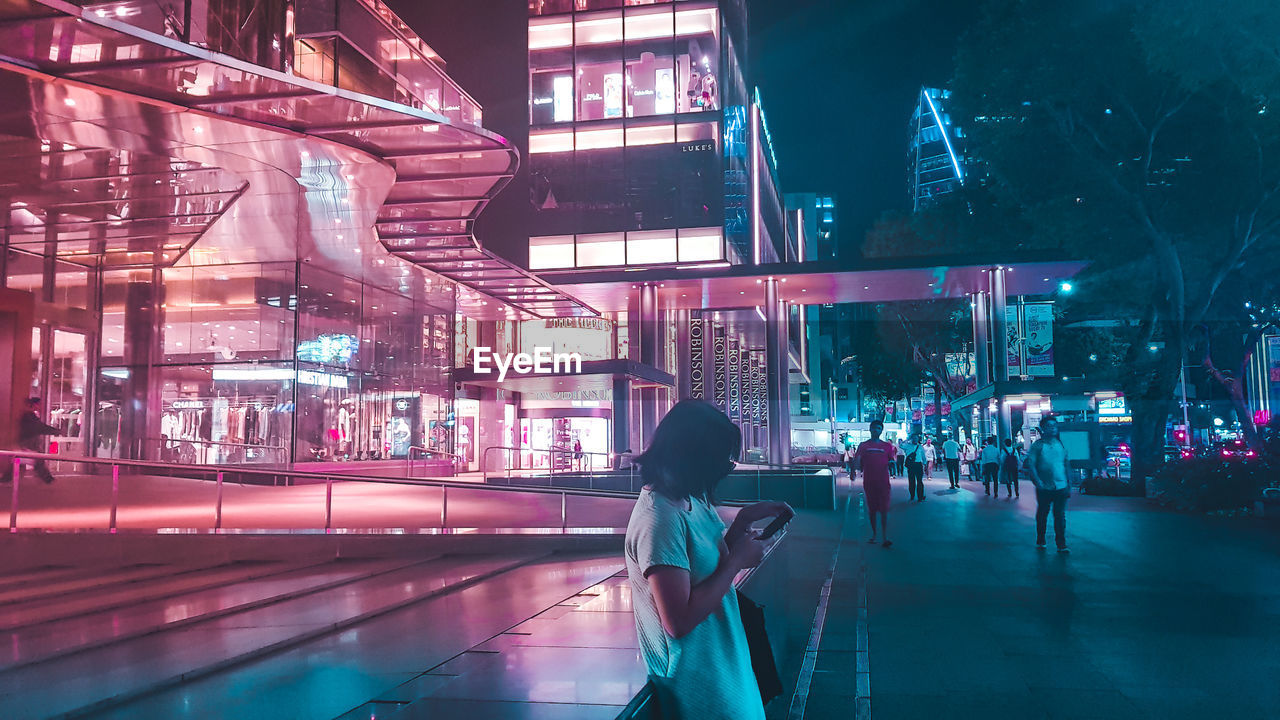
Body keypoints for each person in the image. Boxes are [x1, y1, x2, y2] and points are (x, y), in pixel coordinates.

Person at [625, 400, 793, 720]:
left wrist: (742, 522)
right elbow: (678, 621)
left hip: (725, 660)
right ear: (691, 456)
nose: (726, 467)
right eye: (721, 458)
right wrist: (735, 563)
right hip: (698, 679)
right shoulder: (659, 519)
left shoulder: (691, 498)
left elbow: (700, 569)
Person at [1026, 415, 1071, 552]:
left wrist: (1068, 483)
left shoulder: (1060, 444)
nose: (1052, 429)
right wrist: (1037, 481)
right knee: (1043, 513)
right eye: (1049, 426)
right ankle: (1041, 539)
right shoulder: (1038, 446)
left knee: (1060, 515)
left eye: (1054, 426)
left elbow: (1065, 463)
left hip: (1061, 486)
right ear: (1043, 429)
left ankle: (1061, 543)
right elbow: (1031, 465)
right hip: (1044, 486)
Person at [852, 419, 897, 546]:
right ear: (870, 429)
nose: (876, 430)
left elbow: (891, 460)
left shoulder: (887, 446)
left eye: (878, 428)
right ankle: (874, 535)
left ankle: (885, 536)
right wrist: (852, 472)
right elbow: (857, 459)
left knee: (884, 510)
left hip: (884, 483)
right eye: (874, 428)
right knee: (872, 510)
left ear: (881, 430)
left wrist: (893, 464)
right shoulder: (863, 445)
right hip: (869, 482)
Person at [2, 397, 59, 484]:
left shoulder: (28, 415)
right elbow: (39, 427)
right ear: (35, 404)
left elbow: (39, 427)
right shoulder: (29, 416)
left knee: (23, 461)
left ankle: (6, 478)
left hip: (26, 442)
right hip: (27, 443)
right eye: (40, 404)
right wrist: (55, 431)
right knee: (36, 460)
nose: (41, 406)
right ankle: (48, 480)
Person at [900, 432, 926, 502]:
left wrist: (925, 464)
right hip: (911, 465)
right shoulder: (907, 445)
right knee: (911, 481)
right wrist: (907, 439)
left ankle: (920, 496)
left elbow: (923, 456)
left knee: (919, 481)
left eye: (916, 438)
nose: (915, 439)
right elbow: (900, 445)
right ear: (911, 439)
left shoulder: (920, 447)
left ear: (918, 439)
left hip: (918, 465)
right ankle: (912, 495)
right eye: (913, 438)